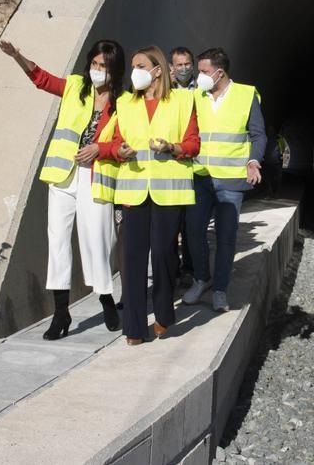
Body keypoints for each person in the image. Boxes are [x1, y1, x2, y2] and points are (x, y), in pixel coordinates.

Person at [0, 38, 125, 340]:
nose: (97, 70)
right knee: (57, 243)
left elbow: (123, 144)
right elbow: (41, 79)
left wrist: (99, 148)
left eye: (103, 66)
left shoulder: (124, 103)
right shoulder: (74, 87)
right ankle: (61, 313)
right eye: (94, 64)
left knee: (97, 240)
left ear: (114, 70)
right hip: (62, 176)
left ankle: (106, 299)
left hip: (94, 178)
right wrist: (18, 55)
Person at [107, 46, 200, 345]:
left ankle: (163, 313)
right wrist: (119, 151)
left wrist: (171, 148)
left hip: (168, 191)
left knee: (163, 254)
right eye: (133, 66)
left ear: (157, 70)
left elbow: (193, 143)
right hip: (134, 188)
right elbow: (116, 141)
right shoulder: (124, 103)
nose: (134, 71)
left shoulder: (183, 101)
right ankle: (133, 327)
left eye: (140, 65)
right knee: (131, 258)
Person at [182, 48, 266, 313]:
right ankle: (201, 278)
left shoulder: (245, 94)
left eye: (204, 71)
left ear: (220, 72)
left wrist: (253, 161)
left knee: (226, 237)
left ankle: (220, 288)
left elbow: (258, 135)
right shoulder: (196, 95)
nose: (199, 76)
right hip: (201, 177)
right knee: (194, 232)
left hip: (231, 180)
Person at [169, 46, 197, 284]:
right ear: (171, 67)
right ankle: (172, 267)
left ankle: (189, 268)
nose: (184, 68)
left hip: (195, 162)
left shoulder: (201, 90)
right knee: (172, 222)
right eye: (179, 65)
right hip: (171, 164)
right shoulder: (163, 91)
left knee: (190, 223)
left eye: (187, 64)